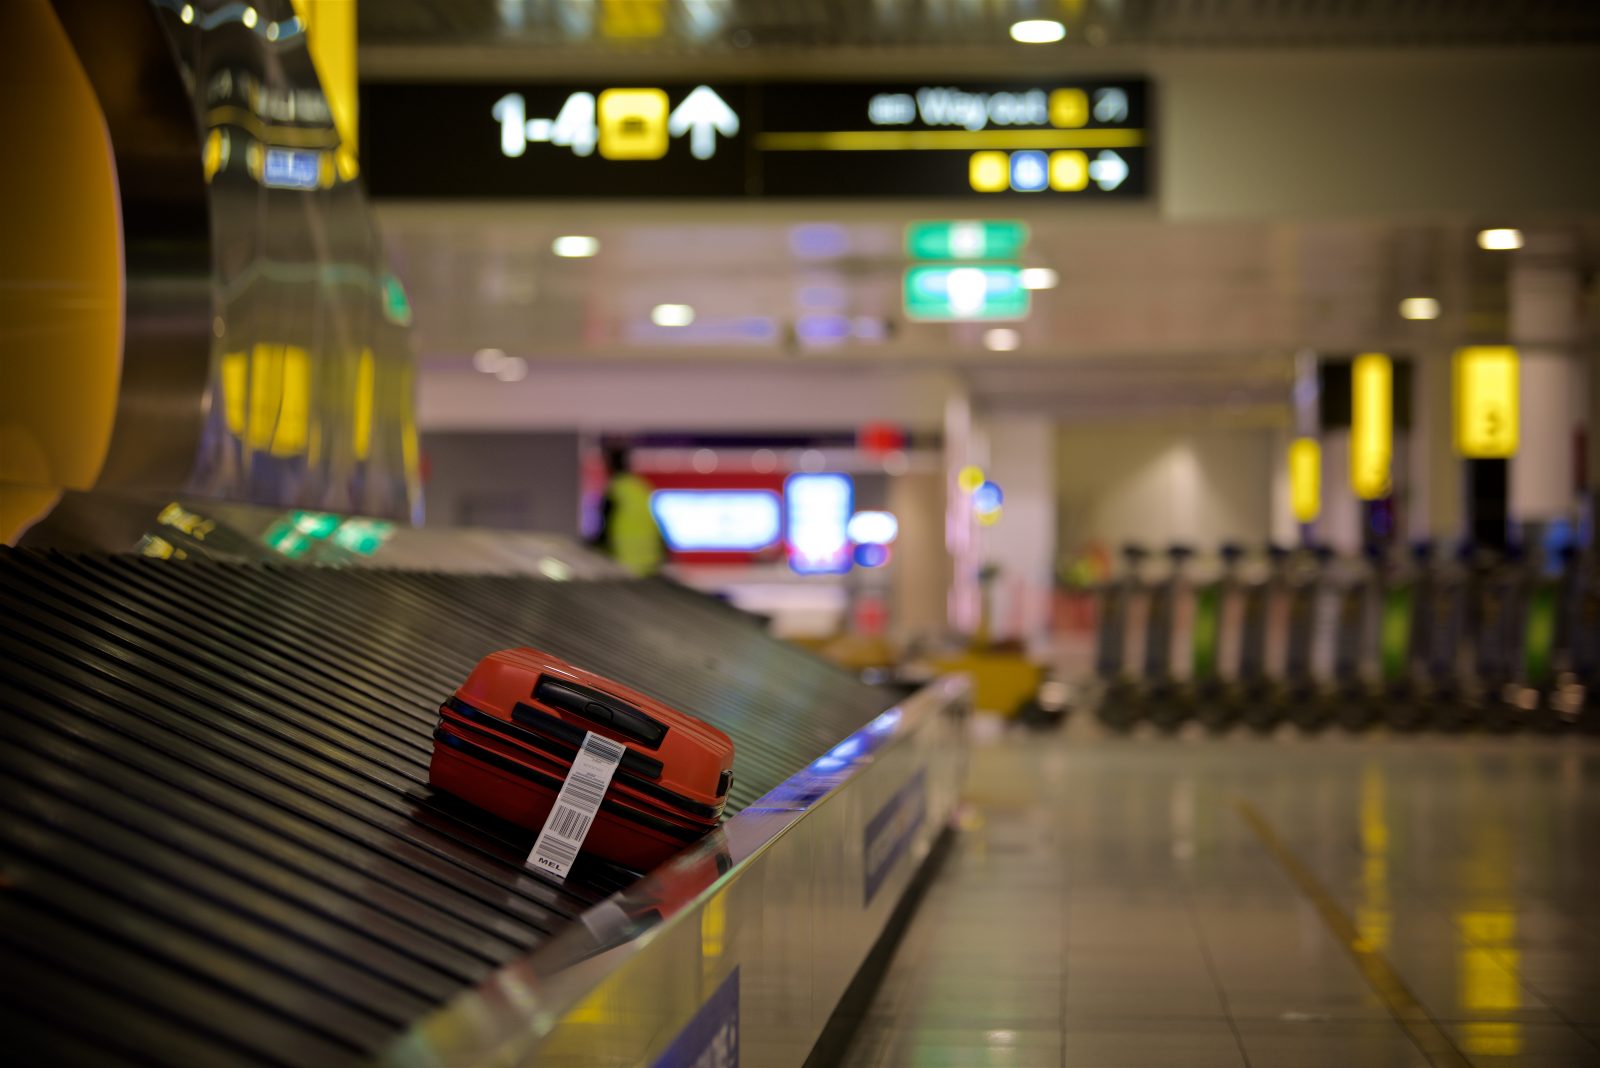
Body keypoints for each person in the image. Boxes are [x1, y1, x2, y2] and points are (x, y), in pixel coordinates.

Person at [596, 445, 665, 577]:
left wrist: (598, 545)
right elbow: (655, 519)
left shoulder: (615, 488)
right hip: (649, 555)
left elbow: (605, 521)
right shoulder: (640, 486)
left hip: (624, 555)